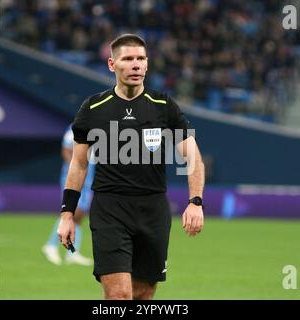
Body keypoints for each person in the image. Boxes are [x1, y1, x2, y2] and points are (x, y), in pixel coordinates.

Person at [57, 34, 205, 300]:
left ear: (147, 64)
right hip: (110, 210)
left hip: (153, 210)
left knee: (143, 294)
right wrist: (67, 214)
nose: (136, 65)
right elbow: (78, 164)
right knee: (118, 296)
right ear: (112, 65)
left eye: (141, 59)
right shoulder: (92, 108)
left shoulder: (164, 107)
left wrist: (195, 201)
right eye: (128, 59)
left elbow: (193, 157)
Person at [42, 125, 94, 266]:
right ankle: (51, 245)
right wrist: (75, 172)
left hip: (89, 176)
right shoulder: (76, 127)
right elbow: (66, 150)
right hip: (76, 176)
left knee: (79, 215)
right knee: (71, 212)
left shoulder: (99, 126)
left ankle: (72, 252)